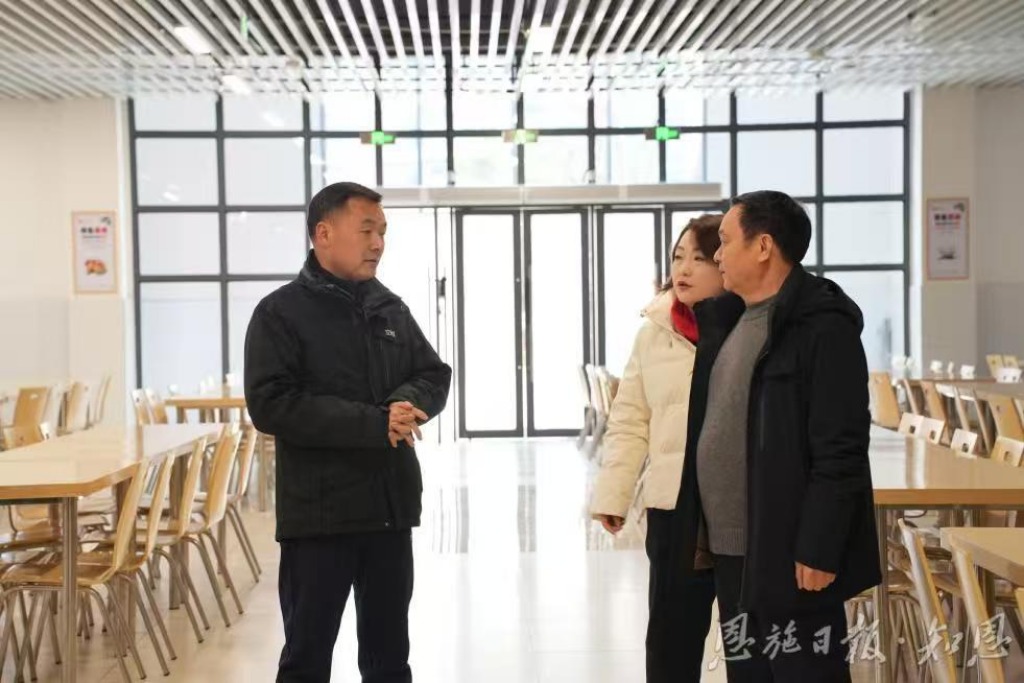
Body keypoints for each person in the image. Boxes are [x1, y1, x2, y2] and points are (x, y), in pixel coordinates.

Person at [244, 181, 452, 683]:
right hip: (320, 518)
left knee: (389, 662)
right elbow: (272, 404)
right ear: (323, 234)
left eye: (383, 232)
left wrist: (407, 403)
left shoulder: (389, 308)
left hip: (388, 512)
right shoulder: (279, 313)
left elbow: (433, 373)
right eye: (366, 231)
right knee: (307, 660)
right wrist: (374, 423)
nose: (378, 243)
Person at [670, 190, 881, 681]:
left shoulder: (821, 327)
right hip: (731, 554)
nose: (717, 255)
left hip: (788, 553)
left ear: (763, 246)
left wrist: (819, 546)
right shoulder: (730, 320)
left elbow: (841, 447)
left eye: (725, 241)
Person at [590, 215, 725, 683]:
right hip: (674, 505)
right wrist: (614, 494)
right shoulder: (654, 331)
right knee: (671, 637)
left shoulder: (747, 328)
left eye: (699, 258)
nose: (683, 269)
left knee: (747, 639)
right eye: (677, 257)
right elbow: (629, 419)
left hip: (737, 508)